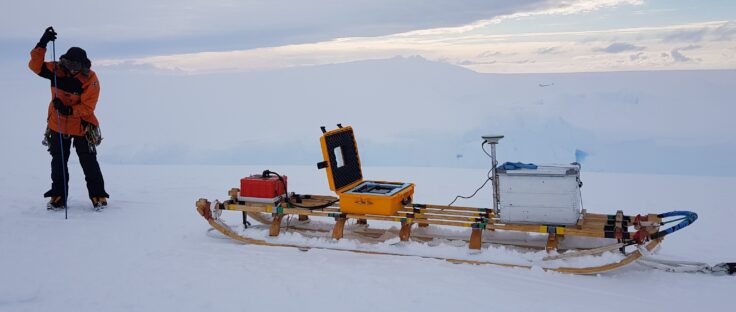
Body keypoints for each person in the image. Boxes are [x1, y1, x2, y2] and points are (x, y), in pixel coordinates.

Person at [29, 27, 109, 211]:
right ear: (64, 61)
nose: (73, 69)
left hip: (82, 126)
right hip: (57, 124)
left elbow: (89, 106)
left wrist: (67, 109)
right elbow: (34, 66)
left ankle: (98, 196)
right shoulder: (56, 70)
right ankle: (58, 196)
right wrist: (43, 42)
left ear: (83, 65)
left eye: (77, 66)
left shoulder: (91, 79)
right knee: (58, 161)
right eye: (70, 64)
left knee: (88, 162)